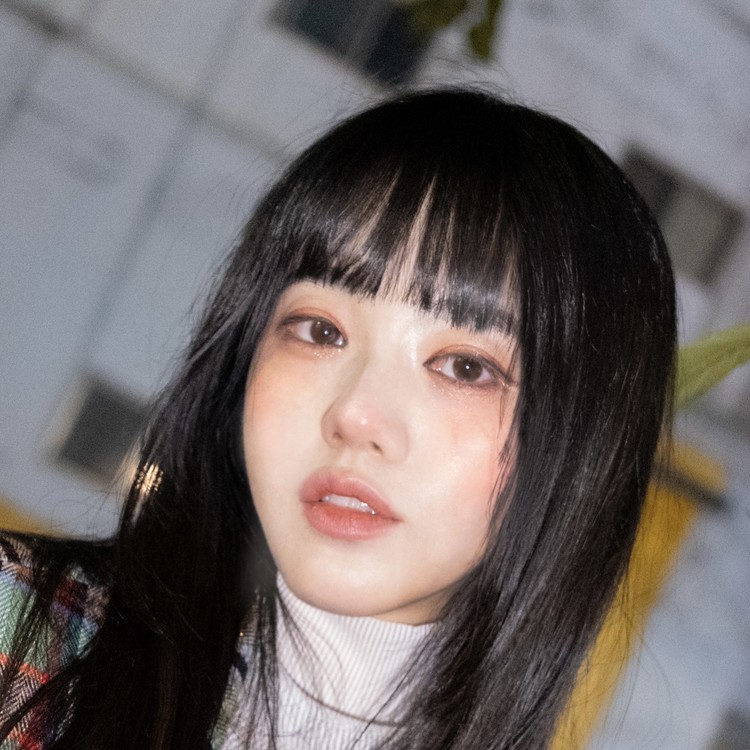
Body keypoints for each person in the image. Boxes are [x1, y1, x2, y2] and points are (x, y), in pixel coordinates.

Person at [0, 88, 676, 749]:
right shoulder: (22, 644)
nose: (355, 415)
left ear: (584, 452)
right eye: (320, 331)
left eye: (465, 367)